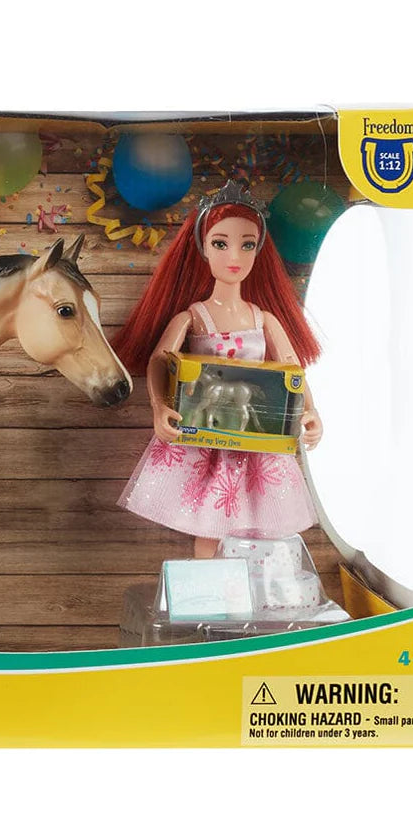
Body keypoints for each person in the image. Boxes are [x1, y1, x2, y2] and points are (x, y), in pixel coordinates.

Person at [112, 180, 324, 558]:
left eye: (248, 244)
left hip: (257, 441)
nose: (235, 256)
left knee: (262, 529)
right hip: (206, 436)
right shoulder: (194, 316)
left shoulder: (263, 319)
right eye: (221, 244)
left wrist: (310, 410)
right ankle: (211, 589)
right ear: (203, 248)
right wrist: (160, 407)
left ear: (259, 250)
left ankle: (254, 587)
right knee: (210, 529)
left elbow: (292, 370)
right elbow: (160, 360)